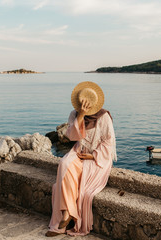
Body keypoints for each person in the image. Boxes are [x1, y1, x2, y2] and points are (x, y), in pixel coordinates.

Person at [46, 81, 117, 237]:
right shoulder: (74, 114)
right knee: (64, 163)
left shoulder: (104, 116)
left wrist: (93, 155)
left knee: (84, 189)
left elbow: (109, 142)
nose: (83, 105)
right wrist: (82, 115)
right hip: (79, 152)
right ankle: (67, 214)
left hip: (97, 158)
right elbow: (72, 136)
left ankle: (66, 219)